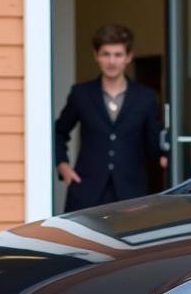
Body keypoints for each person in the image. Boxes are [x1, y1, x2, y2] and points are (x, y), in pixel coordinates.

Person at [54, 23, 166, 213]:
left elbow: (153, 141)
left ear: (129, 57)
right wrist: (63, 166)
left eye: (118, 54)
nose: (111, 61)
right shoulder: (81, 94)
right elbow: (59, 131)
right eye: (106, 54)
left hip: (132, 195)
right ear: (96, 55)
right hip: (86, 191)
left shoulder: (145, 97)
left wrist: (168, 156)